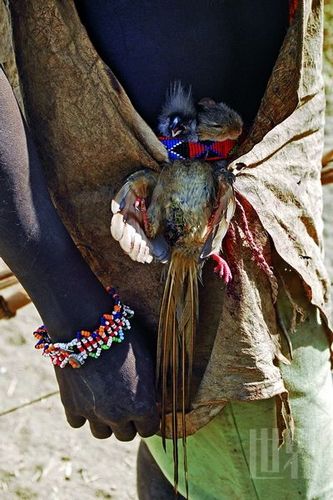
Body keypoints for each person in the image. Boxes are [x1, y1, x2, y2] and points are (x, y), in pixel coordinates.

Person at [1, 1, 333, 498]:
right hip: (169, 268)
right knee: (279, 473)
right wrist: (79, 320)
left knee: (203, 461)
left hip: (277, 207)